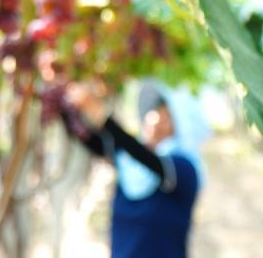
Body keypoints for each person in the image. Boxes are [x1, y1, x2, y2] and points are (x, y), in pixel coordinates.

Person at [64, 80, 209, 258]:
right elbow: (92, 141)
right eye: (156, 113)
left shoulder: (183, 169)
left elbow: (140, 154)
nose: (155, 120)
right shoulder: (130, 165)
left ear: (182, 128)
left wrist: (100, 115)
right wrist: (65, 107)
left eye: (167, 118)